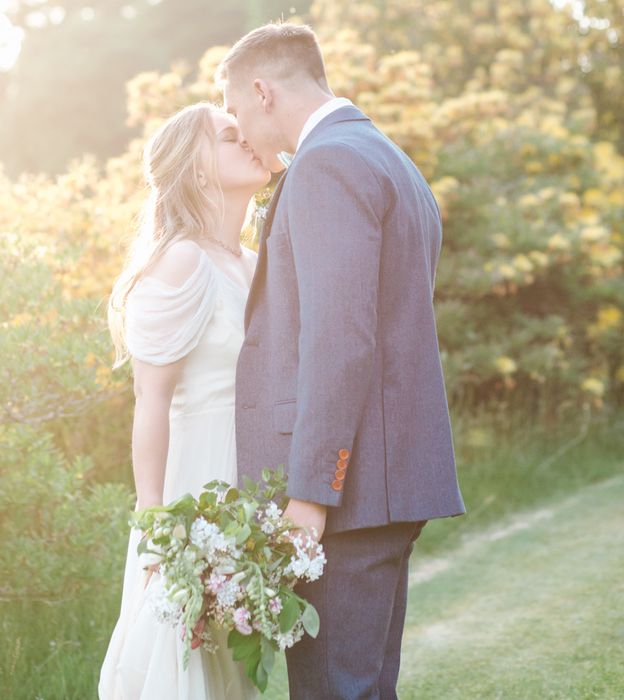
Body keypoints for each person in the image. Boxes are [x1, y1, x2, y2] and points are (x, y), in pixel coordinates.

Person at [217, 23, 466, 699]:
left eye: (237, 110)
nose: (239, 128)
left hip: (348, 496)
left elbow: (341, 339)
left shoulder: (327, 163)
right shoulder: (389, 158)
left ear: (263, 91)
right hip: (387, 483)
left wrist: (310, 495)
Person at [97, 102, 269, 700]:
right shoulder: (181, 260)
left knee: (231, 664)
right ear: (196, 170)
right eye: (229, 136)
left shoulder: (251, 263)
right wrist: (156, 528)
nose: (248, 139)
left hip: (248, 489)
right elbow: (151, 401)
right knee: (183, 654)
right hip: (193, 487)